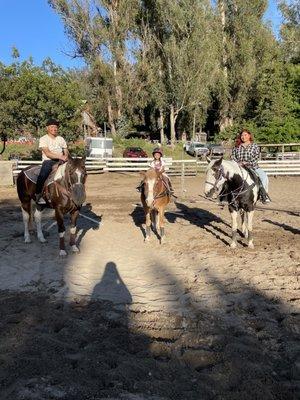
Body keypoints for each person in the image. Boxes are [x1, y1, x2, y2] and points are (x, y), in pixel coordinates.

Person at [231, 129, 270, 203]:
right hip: (239, 167)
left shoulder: (254, 146)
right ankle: (225, 196)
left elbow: (256, 157)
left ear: (249, 136)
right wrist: (238, 163)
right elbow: (233, 157)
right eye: (242, 135)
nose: (243, 137)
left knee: (264, 177)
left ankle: (263, 195)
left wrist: (247, 163)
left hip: (252, 167)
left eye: (245, 135)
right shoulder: (237, 146)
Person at [35, 119, 69, 204]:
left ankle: (75, 194)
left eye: (56, 127)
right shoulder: (44, 139)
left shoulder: (60, 139)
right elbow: (48, 153)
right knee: (43, 175)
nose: (54, 128)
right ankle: (39, 194)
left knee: (74, 173)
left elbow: (66, 151)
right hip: (49, 161)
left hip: (61, 161)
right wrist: (61, 156)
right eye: (52, 127)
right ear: (47, 128)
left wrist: (66, 157)